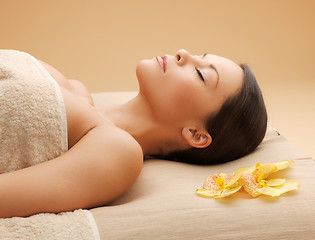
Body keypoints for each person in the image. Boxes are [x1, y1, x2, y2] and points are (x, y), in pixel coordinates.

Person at [0, 49, 267, 218]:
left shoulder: (119, 152)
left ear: (196, 134)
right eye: (199, 54)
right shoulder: (75, 89)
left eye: (200, 73)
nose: (183, 53)